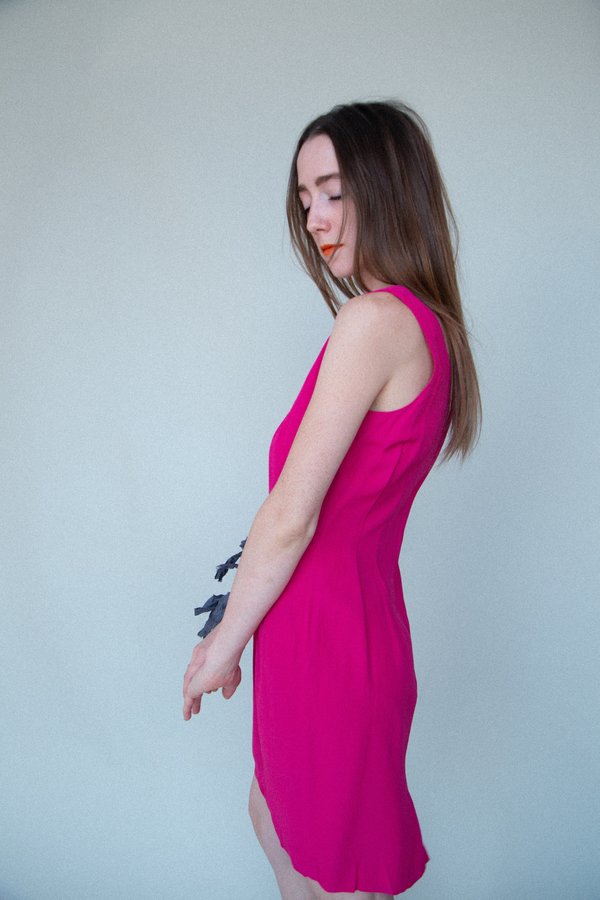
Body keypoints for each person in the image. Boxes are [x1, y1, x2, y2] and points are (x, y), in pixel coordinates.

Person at [182, 99, 481, 900]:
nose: (314, 217)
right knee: (278, 821)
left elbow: (293, 515)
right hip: (338, 630)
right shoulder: (426, 328)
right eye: (304, 197)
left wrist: (223, 644)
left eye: (334, 191)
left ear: (389, 187)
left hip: (331, 642)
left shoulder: (375, 322)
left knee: (333, 871)